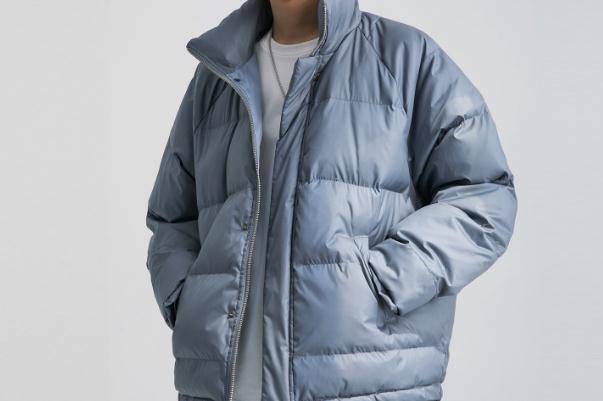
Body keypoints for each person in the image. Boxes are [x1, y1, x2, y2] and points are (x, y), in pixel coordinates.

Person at [144, 1, 518, 401]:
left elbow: (485, 197)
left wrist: (383, 280)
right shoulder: (218, 75)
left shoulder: (404, 59)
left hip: (364, 381)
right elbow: (172, 217)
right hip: (221, 389)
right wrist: (186, 299)